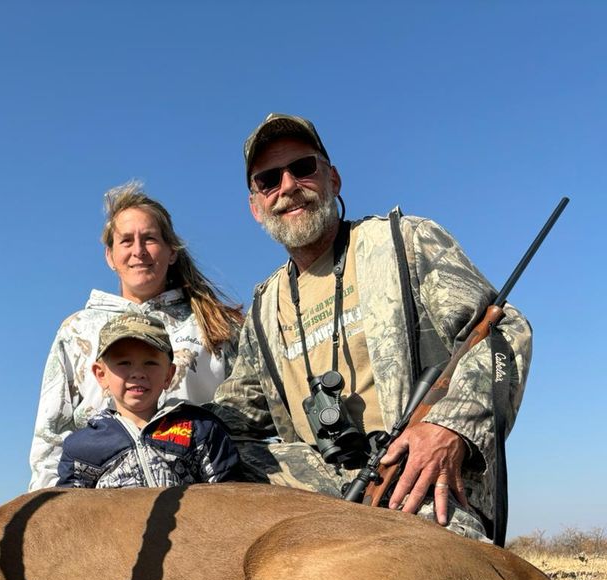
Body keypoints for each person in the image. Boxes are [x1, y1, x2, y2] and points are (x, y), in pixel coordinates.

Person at [212, 113, 533, 543]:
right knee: (204, 456)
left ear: (333, 178)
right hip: (316, 502)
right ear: (255, 206)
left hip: (413, 482)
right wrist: (148, 428)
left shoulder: (408, 241)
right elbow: (232, 416)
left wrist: (450, 426)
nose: (288, 186)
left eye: (303, 168)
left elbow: (504, 333)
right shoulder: (263, 308)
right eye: (269, 179)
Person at [29, 182, 243, 489]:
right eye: (126, 241)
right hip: (107, 509)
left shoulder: (218, 323)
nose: (138, 251)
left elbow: (248, 422)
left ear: (172, 252)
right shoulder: (76, 330)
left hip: (203, 502)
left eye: (150, 239)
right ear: (110, 256)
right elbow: (50, 440)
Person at [57, 313, 239, 488]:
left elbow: (229, 496)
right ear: (101, 374)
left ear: (169, 375)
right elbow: (68, 511)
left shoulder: (200, 430)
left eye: (150, 363)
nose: (137, 373)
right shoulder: (80, 447)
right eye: (124, 363)